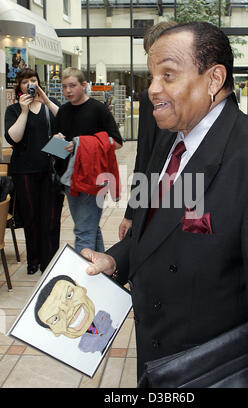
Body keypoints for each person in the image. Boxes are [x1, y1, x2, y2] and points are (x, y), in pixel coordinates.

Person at [80, 22, 248, 387]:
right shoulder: (172, 140)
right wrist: (116, 259)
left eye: (168, 74)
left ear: (214, 79)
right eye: (151, 76)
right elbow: (160, 232)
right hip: (160, 359)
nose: (152, 89)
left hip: (209, 369)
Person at [118, 21, 178, 240]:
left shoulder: (204, 96)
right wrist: (131, 212)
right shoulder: (149, 98)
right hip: (159, 197)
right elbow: (145, 156)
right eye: (149, 54)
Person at [54, 68, 123, 254]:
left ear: (83, 86)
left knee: (83, 230)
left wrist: (81, 144)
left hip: (94, 180)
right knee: (89, 227)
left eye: (72, 86)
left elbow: (117, 142)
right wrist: (59, 144)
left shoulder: (98, 109)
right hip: (70, 180)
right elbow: (56, 148)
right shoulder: (62, 111)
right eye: (64, 86)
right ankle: (103, 273)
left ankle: (83, 276)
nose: (68, 90)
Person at [4, 68, 64, 274]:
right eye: (25, 82)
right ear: (19, 86)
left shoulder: (49, 106)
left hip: (50, 170)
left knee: (50, 218)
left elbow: (65, 122)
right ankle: (34, 260)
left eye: (33, 80)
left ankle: (49, 261)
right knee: (31, 218)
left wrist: (46, 100)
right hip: (24, 171)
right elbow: (14, 138)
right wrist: (24, 111)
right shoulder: (13, 110)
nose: (30, 84)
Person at [34, 275, 116, 353]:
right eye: (55, 319)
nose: (69, 311)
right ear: (52, 330)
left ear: (80, 287)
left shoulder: (103, 316)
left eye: (69, 295)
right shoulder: (84, 345)